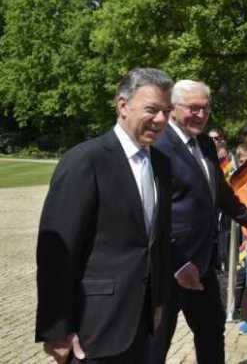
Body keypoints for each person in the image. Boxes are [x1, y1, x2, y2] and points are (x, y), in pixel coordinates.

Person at [35, 68, 175, 363]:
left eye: (167, 110)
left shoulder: (161, 164)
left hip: (144, 325)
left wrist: (159, 300)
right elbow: (56, 253)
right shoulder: (86, 160)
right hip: (93, 329)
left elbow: (157, 240)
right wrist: (56, 329)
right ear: (123, 106)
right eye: (152, 109)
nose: (161, 120)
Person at [149, 80, 247, 364]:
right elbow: (153, 212)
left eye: (205, 108)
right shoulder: (158, 145)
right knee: (156, 343)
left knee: (212, 333)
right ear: (173, 109)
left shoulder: (204, 143)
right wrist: (177, 262)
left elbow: (220, 192)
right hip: (169, 267)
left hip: (203, 265)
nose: (201, 115)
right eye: (193, 108)